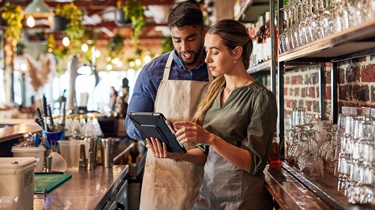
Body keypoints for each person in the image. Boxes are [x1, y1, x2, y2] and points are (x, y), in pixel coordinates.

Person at [146, 19, 277, 210]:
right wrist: (176, 154)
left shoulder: (261, 98)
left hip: (241, 200)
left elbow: (254, 163)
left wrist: (209, 138)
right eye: (207, 51)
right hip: (209, 196)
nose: (207, 59)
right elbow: (205, 153)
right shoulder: (213, 90)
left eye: (214, 52)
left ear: (236, 52)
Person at [125, 1, 212, 210]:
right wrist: (157, 129)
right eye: (177, 40)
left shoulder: (216, 69)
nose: (185, 48)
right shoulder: (152, 72)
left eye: (191, 39)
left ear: (203, 32)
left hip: (207, 176)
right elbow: (131, 123)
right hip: (163, 178)